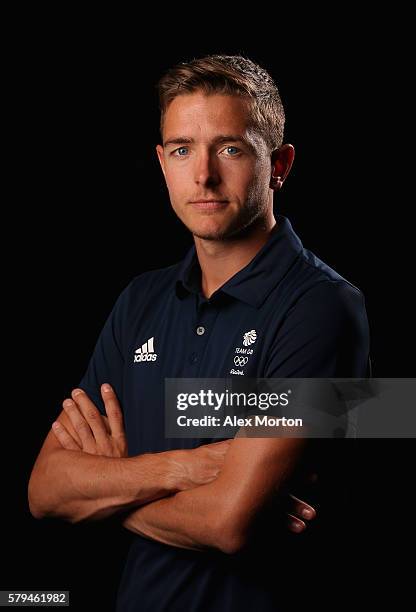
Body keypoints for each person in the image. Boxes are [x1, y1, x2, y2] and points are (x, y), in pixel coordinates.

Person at [28, 55, 370, 611]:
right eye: (183, 149)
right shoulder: (140, 300)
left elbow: (228, 523)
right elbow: (44, 490)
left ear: (279, 164)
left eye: (230, 148)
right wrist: (190, 467)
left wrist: (109, 486)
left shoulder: (323, 308)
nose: (204, 174)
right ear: (162, 163)